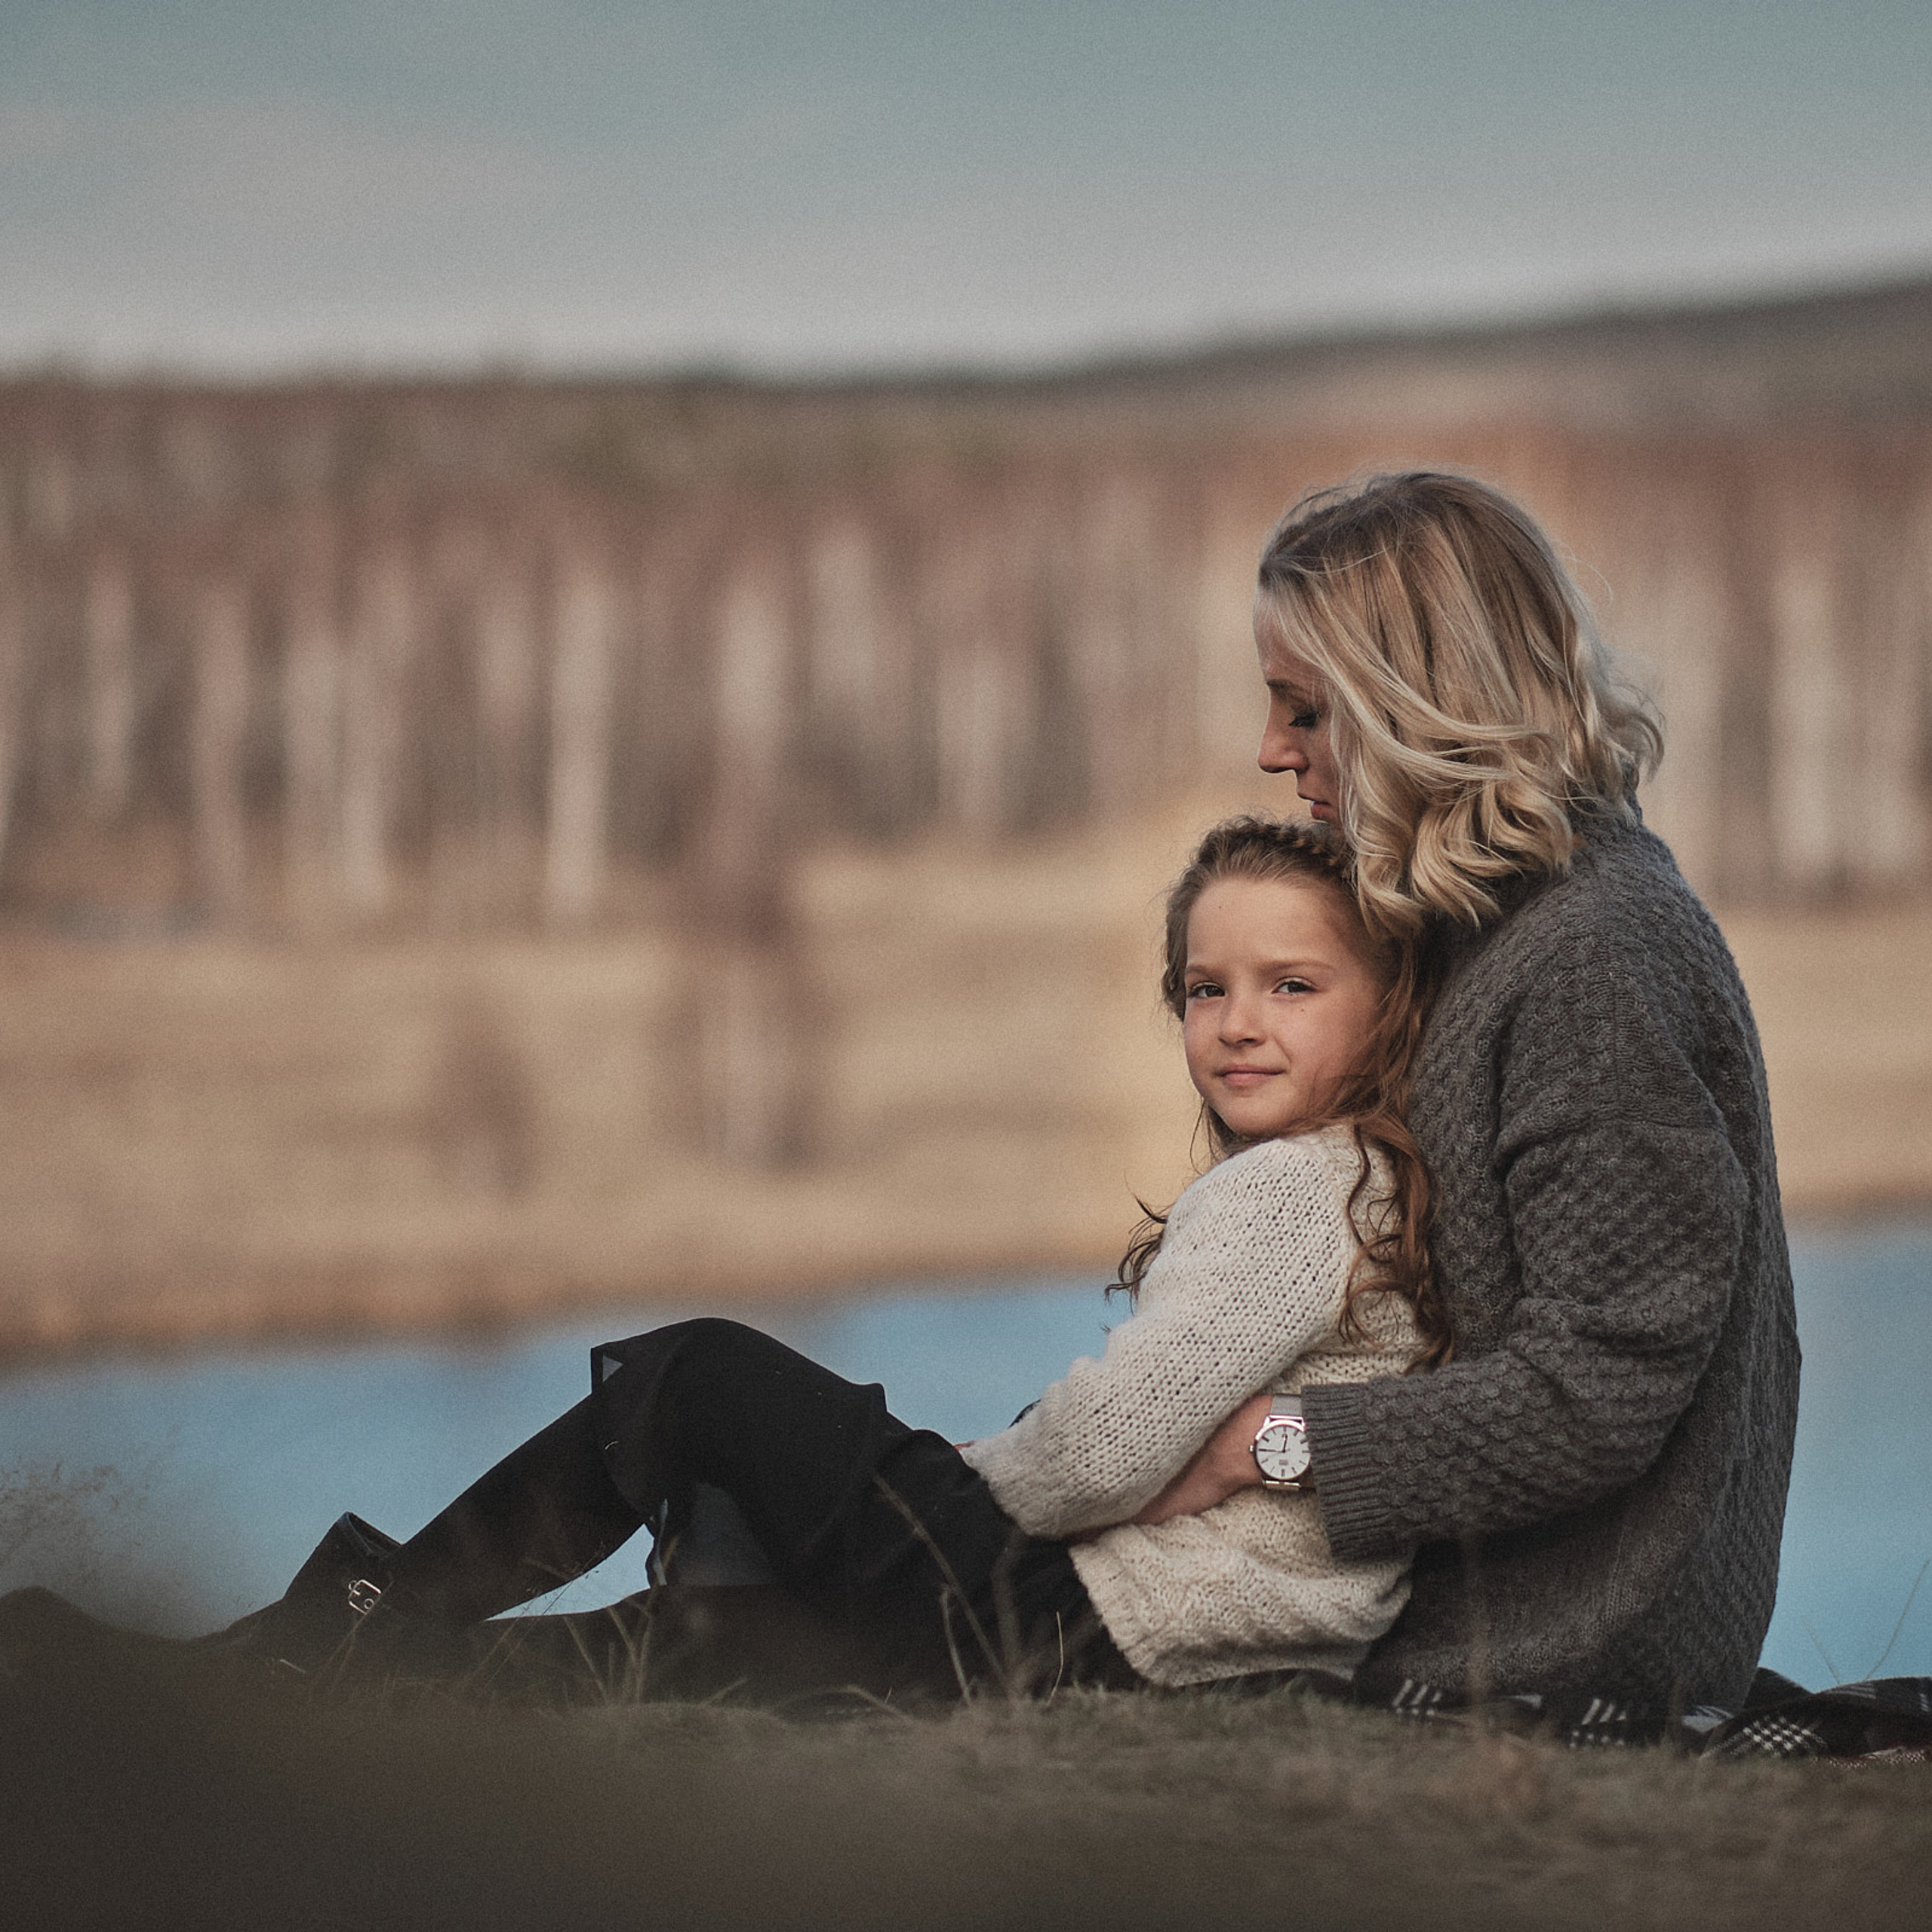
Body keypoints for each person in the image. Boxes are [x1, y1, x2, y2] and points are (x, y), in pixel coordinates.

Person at [225, 819, 1448, 1703]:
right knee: (708, 1638)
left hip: (1081, 1616)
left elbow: (1100, 1455)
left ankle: (343, 1625)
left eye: (1291, 986)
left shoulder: (1299, 1187)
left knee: (699, 1377)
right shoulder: (1361, 1189)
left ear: (1386, 1006)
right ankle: (308, 1675)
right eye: (1203, 988)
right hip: (1145, 1651)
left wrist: (952, 1480)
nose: (1236, 1022)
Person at [1153, 471, 1799, 1730]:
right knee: (788, 1457)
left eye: (1305, 710)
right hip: (1441, 1601)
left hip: (1558, 1643)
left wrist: (1261, 1447)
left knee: (740, 1424)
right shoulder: (1483, 924)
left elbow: (1596, 1387)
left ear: (1417, 710)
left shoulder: (1595, 954)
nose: (1272, 751)